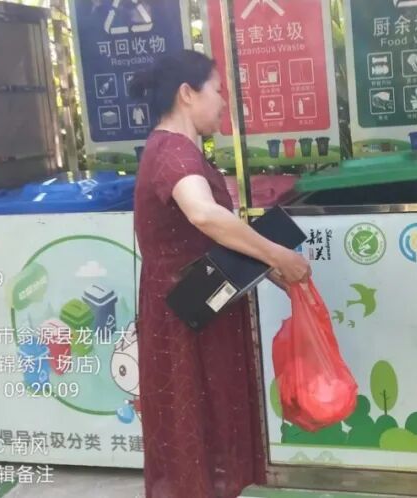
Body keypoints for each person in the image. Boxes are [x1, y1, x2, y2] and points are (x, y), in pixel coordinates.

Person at [129, 50, 311, 498]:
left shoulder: (171, 149)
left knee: (203, 427)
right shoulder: (174, 152)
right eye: (216, 90)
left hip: (198, 307)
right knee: (195, 427)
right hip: (187, 320)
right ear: (187, 94)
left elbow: (203, 237)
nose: (223, 102)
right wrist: (276, 255)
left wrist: (264, 266)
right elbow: (204, 215)